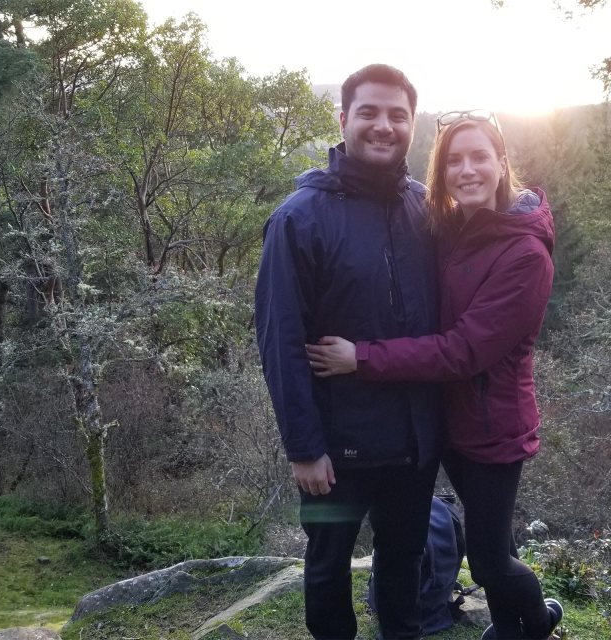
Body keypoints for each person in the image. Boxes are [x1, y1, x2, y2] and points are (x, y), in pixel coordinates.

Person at [306, 110, 562, 640]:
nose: (466, 170)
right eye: (453, 161)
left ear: (501, 163)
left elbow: (464, 350)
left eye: (478, 157)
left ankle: (538, 622)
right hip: (447, 422)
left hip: (494, 428)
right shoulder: (451, 229)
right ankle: (511, 629)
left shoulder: (525, 253)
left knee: (490, 561)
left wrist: (363, 358)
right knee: (497, 541)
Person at [254, 64, 441, 640]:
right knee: (328, 563)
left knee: (405, 559)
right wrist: (304, 447)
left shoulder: (426, 209)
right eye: (368, 113)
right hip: (336, 449)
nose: (383, 126)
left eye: (397, 115)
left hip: (413, 441)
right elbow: (279, 340)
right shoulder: (299, 218)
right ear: (343, 119)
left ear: (413, 125)